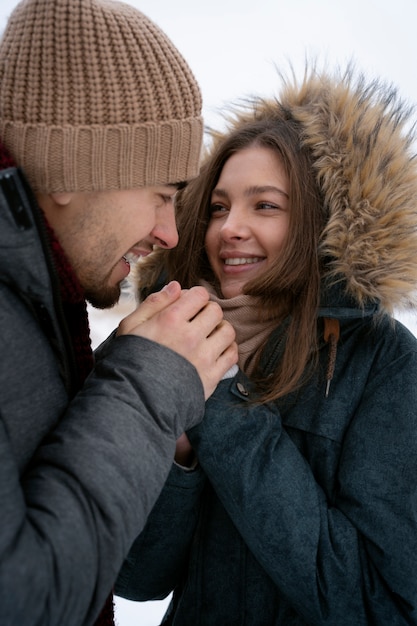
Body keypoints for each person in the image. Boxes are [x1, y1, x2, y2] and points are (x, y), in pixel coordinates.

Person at [115, 66, 417, 624]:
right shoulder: (177, 344)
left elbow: (384, 606)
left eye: (266, 206)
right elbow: (137, 578)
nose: (229, 228)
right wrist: (178, 451)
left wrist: (222, 399)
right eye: (219, 207)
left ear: (317, 225)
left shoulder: (386, 363)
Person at [0, 0, 238, 624]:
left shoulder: (29, 302)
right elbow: (23, 600)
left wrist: (113, 374)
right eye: (162, 195)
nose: (168, 233)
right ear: (71, 168)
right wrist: (148, 380)